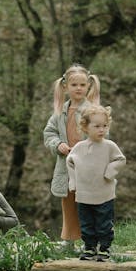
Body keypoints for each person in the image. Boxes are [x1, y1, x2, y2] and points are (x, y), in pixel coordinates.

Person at [42, 64, 101, 253]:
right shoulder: (60, 112)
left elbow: (102, 135)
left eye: (82, 85)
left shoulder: (93, 111)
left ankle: (89, 240)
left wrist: (87, 148)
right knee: (68, 203)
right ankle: (68, 241)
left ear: (88, 87)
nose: (78, 88)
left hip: (87, 167)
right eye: (74, 84)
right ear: (66, 87)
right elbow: (49, 133)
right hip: (66, 168)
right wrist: (57, 144)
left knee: (87, 203)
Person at [66, 104, 125, 261]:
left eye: (105, 126)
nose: (102, 130)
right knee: (86, 224)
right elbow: (70, 162)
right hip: (84, 195)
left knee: (104, 223)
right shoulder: (79, 148)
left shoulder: (109, 146)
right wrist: (73, 182)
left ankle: (105, 248)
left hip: (104, 194)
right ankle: (89, 247)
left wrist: (109, 172)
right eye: (97, 126)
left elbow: (120, 160)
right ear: (85, 127)